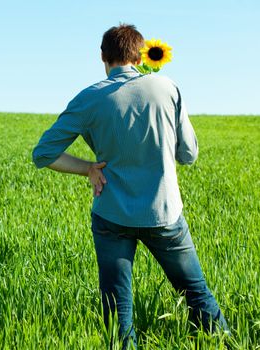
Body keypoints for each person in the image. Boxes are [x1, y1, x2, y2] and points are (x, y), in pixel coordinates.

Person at [32, 24, 228, 348]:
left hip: (112, 217)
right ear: (140, 55)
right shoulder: (167, 87)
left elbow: (44, 154)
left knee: (117, 309)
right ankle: (223, 342)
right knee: (196, 292)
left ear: (102, 57)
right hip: (164, 214)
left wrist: (88, 169)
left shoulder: (89, 98)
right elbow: (189, 154)